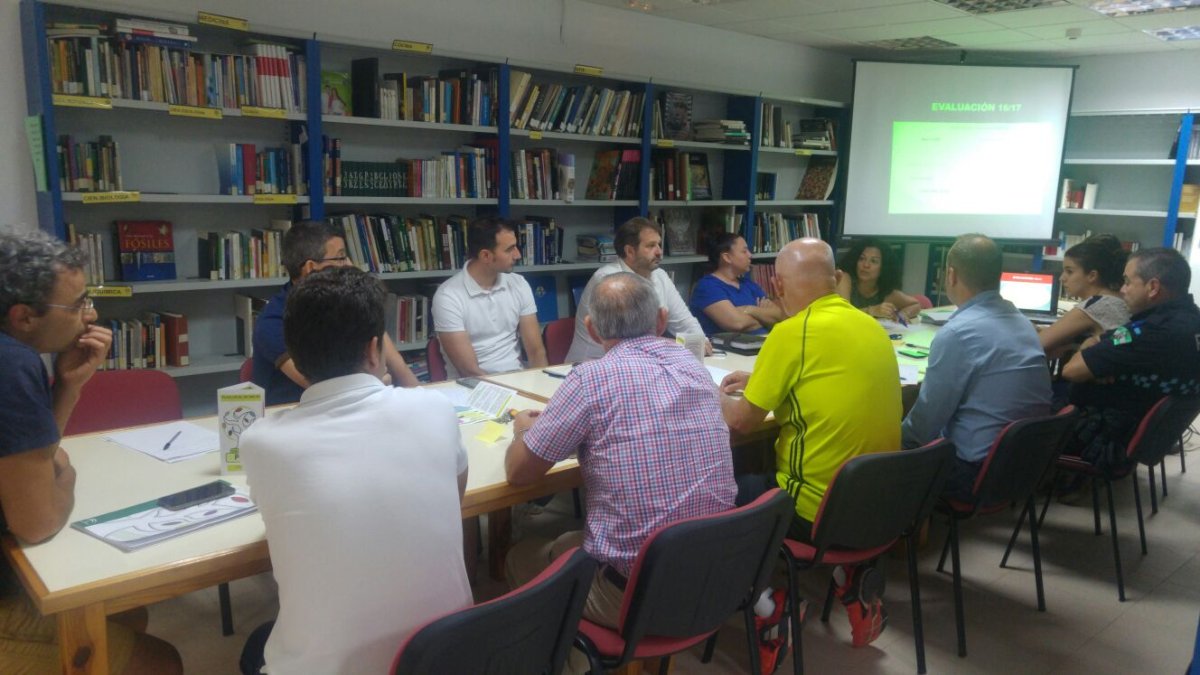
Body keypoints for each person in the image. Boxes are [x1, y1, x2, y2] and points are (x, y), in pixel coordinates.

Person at [239, 266, 472, 674]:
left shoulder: (262, 442)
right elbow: (455, 497)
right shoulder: (435, 409)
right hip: (446, 655)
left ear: (295, 354)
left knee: (257, 645)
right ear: (373, 349)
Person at [505, 272, 736, 632]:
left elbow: (520, 474)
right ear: (661, 320)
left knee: (519, 556)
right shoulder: (694, 367)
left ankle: (570, 653)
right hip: (715, 573)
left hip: (634, 596)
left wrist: (522, 430)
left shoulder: (590, 379)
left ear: (591, 329)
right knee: (568, 541)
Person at [0, 230, 181, 674]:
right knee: (160, 663)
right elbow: (39, 521)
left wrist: (69, 386)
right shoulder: (12, 364)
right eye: (78, 304)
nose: (92, 314)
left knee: (126, 614)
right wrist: (65, 477)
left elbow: (35, 457)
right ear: (24, 316)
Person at [719, 238, 901, 648]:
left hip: (820, 514)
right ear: (835, 279)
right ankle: (849, 577)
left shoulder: (791, 333)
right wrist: (763, 379)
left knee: (723, 494)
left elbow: (742, 421)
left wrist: (711, 393)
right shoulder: (869, 325)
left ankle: (769, 606)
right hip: (882, 506)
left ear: (778, 286)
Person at [902, 234, 1052, 500]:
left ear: (951, 275)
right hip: (1026, 466)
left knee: (882, 447)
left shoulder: (958, 333)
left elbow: (926, 423)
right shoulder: (1023, 322)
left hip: (974, 473)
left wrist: (891, 440)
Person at [1060, 247, 1200, 470]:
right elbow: (1102, 340)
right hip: (1141, 432)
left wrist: (1093, 350)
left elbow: (1072, 370)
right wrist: (1098, 350)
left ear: (1153, 287)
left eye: (1127, 282)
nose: (1122, 289)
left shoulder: (1149, 332)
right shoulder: (1190, 320)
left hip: (1100, 435)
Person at [252, 220, 418, 405]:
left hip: (354, 403)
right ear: (311, 268)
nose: (349, 265)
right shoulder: (273, 323)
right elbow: (326, 388)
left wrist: (419, 396)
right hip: (300, 411)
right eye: (341, 258)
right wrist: (376, 382)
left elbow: (398, 367)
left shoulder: (343, 300)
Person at [565, 217, 710, 362]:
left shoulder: (660, 275)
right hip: (594, 363)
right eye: (651, 246)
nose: (659, 252)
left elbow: (684, 321)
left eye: (659, 245)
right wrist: (677, 345)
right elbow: (629, 341)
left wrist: (701, 341)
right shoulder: (609, 280)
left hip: (639, 361)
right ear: (630, 251)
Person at [432, 217, 548, 378]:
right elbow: (469, 371)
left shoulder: (519, 284)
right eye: (509, 249)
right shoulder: (448, 297)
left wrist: (542, 386)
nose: (518, 255)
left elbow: (536, 351)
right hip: (472, 386)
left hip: (517, 380)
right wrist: (508, 391)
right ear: (486, 256)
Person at [1039, 233, 1130, 358]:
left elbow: (1038, 343)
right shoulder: (1115, 299)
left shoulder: (1098, 305)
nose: (1062, 278)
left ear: (1092, 276)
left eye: (1069, 271)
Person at [689, 232, 784, 335]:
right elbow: (737, 324)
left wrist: (750, 309)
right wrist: (764, 318)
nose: (750, 255)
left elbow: (780, 317)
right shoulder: (707, 287)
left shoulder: (748, 284)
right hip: (733, 345)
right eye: (744, 251)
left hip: (765, 341)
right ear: (727, 257)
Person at [835, 237, 922, 320]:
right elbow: (843, 314)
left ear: (884, 267)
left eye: (873, 261)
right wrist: (871, 311)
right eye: (862, 259)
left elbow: (915, 304)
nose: (866, 265)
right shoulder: (844, 279)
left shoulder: (886, 293)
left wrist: (904, 314)